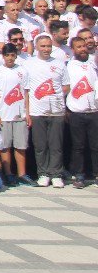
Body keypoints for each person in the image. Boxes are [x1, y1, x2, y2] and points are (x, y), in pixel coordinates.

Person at [24, 35, 66, 188]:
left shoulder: (59, 64)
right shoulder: (29, 64)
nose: (46, 49)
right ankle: (43, 174)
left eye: (49, 46)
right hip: (37, 111)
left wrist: (57, 98)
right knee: (41, 146)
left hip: (56, 111)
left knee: (56, 145)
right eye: (43, 46)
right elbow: (26, 91)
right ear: (36, 47)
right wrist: (27, 113)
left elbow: (66, 85)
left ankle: (56, 174)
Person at [0, 43, 32, 186]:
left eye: (12, 55)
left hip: (19, 114)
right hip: (4, 114)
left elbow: (25, 93)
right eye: (7, 55)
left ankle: (22, 174)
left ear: (16, 56)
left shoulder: (23, 71)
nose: (10, 58)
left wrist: (28, 113)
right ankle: (8, 174)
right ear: (3, 56)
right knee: (5, 146)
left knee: (20, 146)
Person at [62, 36, 98, 188]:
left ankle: (95, 174)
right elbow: (65, 89)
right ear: (73, 49)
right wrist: (65, 109)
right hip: (76, 111)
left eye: (84, 46)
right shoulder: (68, 66)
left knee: (95, 146)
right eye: (79, 47)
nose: (82, 49)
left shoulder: (92, 65)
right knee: (78, 146)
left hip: (94, 111)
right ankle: (79, 175)